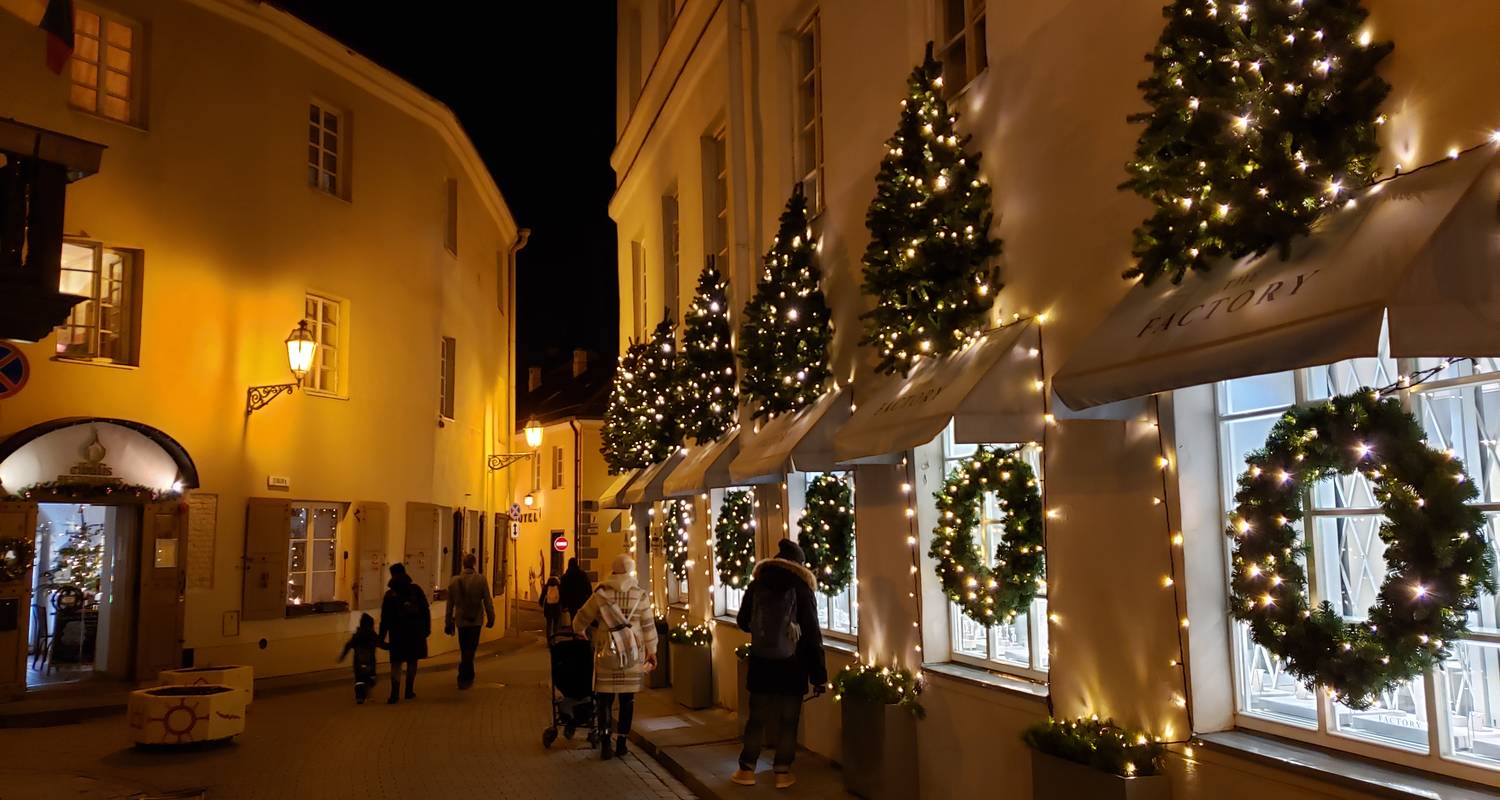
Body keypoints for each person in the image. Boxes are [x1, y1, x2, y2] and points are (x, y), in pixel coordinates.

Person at [732, 539, 827, 789]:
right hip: (792, 666)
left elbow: (742, 621)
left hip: (762, 663)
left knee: (757, 719)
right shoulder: (802, 588)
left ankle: (746, 771)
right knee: (788, 720)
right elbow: (812, 634)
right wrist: (819, 676)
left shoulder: (757, 584)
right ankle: (782, 772)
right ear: (798, 564)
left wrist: (763, 630)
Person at [570, 553, 658, 761]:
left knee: (604, 699)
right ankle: (622, 743)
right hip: (632, 655)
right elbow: (647, 625)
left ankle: (605, 744)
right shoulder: (640, 595)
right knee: (628, 700)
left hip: (606, 652)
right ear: (630, 570)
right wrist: (652, 650)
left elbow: (582, 617)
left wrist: (579, 631)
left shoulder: (601, 594)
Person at [379, 562, 430, 704]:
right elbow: (425, 610)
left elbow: (385, 618)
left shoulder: (390, 595)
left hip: (397, 634)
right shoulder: (415, 590)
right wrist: (426, 629)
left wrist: (381, 637)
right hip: (415, 632)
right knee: (412, 661)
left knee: (396, 663)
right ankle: (409, 690)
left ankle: (394, 694)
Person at [445, 553, 496, 689]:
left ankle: (466, 675)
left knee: (464, 647)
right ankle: (465, 675)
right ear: (474, 563)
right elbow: (487, 600)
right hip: (475, 620)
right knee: (471, 648)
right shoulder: (481, 580)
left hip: (461, 620)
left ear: (463, 564)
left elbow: (449, 604)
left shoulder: (454, 581)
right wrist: (491, 617)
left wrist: (448, 621)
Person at [338, 612, 386, 703]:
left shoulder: (356, 635)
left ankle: (359, 697)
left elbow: (348, 645)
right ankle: (367, 692)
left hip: (357, 662)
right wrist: (391, 646)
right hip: (370, 661)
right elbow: (381, 644)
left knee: (359, 680)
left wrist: (342, 656)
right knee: (371, 678)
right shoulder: (372, 634)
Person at [539, 574, 564, 638]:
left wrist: (541, 603)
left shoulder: (546, 586)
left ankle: (549, 640)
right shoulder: (559, 586)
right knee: (556, 624)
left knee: (549, 624)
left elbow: (542, 596)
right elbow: (562, 596)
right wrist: (563, 606)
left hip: (548, 608)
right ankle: (554, 639)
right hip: (557, 608)